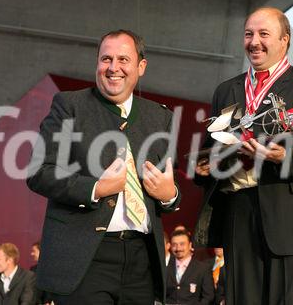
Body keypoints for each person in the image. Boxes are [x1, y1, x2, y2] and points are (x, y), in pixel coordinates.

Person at [193, 6, 293, 305]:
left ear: (284, 40)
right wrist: (206, 167)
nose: (254, 41)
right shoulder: (226, 90)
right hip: (238, 211)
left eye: (263, 34)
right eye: (248, 34)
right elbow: (212, 148)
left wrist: (282, 156)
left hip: (291, 215)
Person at [26, 29, 181, 305]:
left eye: (123, 59)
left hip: (141, 259)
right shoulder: (69, 106)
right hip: (85, 258)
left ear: (140, 67)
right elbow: (39, 172)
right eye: (106, 59)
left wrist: (170, 196)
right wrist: (96, 188)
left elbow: (166, 187)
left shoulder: (161, 117)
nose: (113, 68)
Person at [166, 230, 214, 305]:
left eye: (182, 244)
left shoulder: (203, 268)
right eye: (174, 245)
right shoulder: (166, 267)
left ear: (190, 245)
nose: (178, 248)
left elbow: (208, 297)